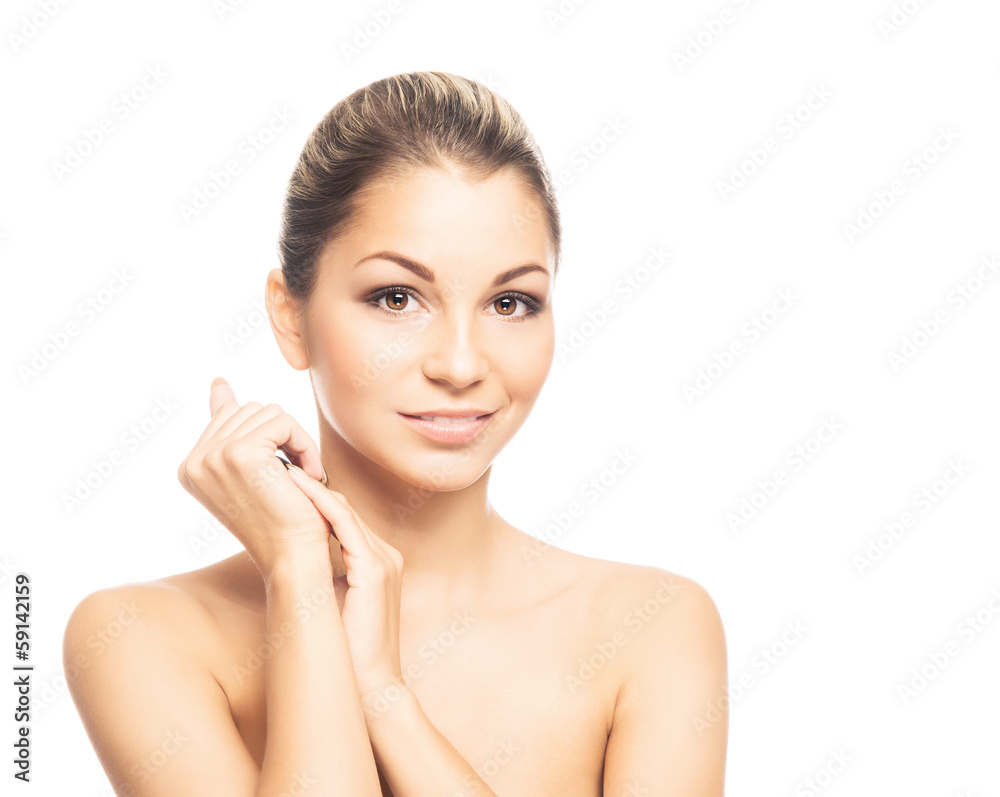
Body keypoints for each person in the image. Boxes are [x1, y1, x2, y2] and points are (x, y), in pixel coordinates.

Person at [63, 70, 728, 796]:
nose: (461, 364)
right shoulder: (139, 635)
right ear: (290, 316)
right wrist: (300, 578)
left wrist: (384, 695)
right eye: (397, 297)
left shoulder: (651, 629)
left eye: (511, 302)